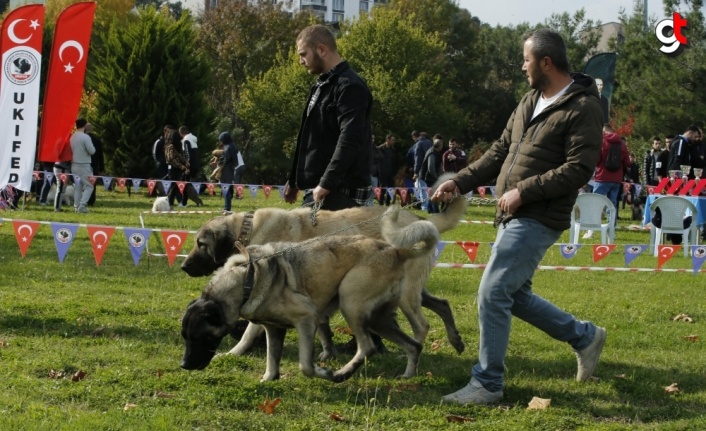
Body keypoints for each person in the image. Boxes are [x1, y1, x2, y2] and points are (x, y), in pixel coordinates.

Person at [432, 28, 606, 405]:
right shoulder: (530, 100)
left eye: (526, 59)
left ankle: (488, 383)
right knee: (514, 294)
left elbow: (579, 169)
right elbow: (498, 154)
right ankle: (584, 337)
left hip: (540, 215)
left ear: (545, 62)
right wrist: (458, 183)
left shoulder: (583, 107)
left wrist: (523, 191)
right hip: (512, 214)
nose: (522, 66)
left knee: (493, 291)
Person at [283, 24, 373, 211]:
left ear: (321, 50)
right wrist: (295, 180)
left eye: (303, 54)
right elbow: (308, 138)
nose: (301, 61)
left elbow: (350, 138)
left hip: (343, 191)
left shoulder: (350, 87)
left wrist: (327, 182)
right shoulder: (322, 85)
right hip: (321, 188)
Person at [70, 118, 96, 214]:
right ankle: (82, 205)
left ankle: (76, 206)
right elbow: (92, 151)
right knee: (89, 186)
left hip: (74, 164)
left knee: (78, 186)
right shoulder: (85, 137)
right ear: (85, 126)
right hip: (84, 164)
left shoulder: (72, 137)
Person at [164, 129, 189, 209]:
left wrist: (185, 162)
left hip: (177, 169)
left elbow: (179, 156)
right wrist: (181, 166)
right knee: (173, 187)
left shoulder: (175, 146)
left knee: (175, 187)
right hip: (173, 169)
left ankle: (172, 202)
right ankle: (169, 203)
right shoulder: (170, 146)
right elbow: (172, 159)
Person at [178, 125, 202, 207]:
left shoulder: (186, 140)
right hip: (195, 165)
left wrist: (187, 166)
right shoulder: (193, 140)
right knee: (187, 183)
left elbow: (188, 154)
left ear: (181, 133)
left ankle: (184, 203)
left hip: (190, 166)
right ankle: (195, 199)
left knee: (184, 183)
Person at [411, 131, 433, 211]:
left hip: (422, 170)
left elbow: (418, 159)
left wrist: (416, 172)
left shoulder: (418, 144)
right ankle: (431, 206)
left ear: (414, 137)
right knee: (430, 189)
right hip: (430, 168)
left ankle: (424, 207)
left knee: (422, 189)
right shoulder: (429, 142)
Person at [216, 131, 238, 212]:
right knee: (226, 189)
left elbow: (224, 159)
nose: (221, 141)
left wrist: (218, 162)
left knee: (225, 189)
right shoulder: (231, 146)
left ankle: (227, 208)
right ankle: (226, 207)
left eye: (221, 139)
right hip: (229, 169)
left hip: (226, 170)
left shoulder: (228, 147)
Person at [420, 138, 443, 213]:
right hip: (430, 177)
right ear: (439, 146)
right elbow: (431, 168)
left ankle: (429, 210)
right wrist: (436, 177)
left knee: (431, 194)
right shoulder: (432, 153)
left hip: (430, 177)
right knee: (434, 194)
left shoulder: (434, 152)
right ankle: (436, 211)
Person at [85, 123, 104, 207]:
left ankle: (83, 200)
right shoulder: (97, 140)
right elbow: (100, 154)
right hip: (94, 165)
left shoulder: (82, 139)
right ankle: (91, 201)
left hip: (84, 163)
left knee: (83, 183)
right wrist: (102, 167)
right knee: (93, 184)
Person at [377, 134, 397, 206]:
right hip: (382, 172)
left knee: (390, 188)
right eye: (392, 140)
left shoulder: (392, 149)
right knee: (383, 188)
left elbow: (393, 161)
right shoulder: (380, 148)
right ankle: (380, 202)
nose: (394, 142)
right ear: (387, 140)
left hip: (390, 172)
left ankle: (387, 202)